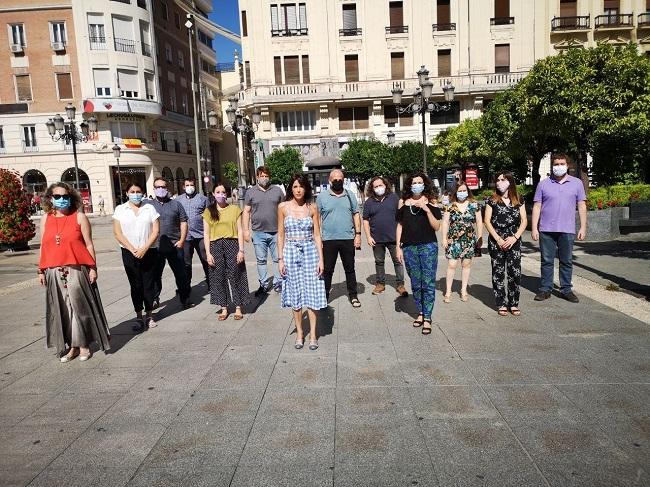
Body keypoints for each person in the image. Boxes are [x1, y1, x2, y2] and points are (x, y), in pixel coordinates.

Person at [37, 182, 110, 362]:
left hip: (77, 268)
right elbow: (43, 246)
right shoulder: (46, 218)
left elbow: (89, 244)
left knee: (80, 307)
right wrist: (40, 270)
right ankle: (73, 346)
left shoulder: (79, 217)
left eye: (65, 196)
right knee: (63, 308)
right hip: (54, 270)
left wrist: (93, 267)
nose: (62, 200)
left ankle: (84, 344)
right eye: (57, 197)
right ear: (50, 198)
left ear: (71, 197)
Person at [277, 174, 327, 350]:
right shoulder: (283, 207)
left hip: (310, 252)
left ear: (306, 189)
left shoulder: (312, 208)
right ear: (291, 188)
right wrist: (280, 259)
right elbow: (281, 234)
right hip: (290, 251)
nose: (298, 190)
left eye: (301, 187)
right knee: (295, 293)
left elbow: (317, 235)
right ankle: (300, 333)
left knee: (313, 292)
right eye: (295, 186)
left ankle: (313, 334)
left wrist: (321, 259)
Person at [531, 152, 587, 303]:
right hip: (546, 229)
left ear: (567, 166)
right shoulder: (543, 184)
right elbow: (537, 206)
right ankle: (545, 289)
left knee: (566, 261)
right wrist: (534, 228)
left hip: (567, 229)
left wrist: (583, 227)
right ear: (552, 166)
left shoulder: (576, 183)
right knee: (547, 260)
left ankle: (566, 290)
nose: (559, 167)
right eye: (556, 164)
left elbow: (581, 205)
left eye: (562, 164)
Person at [396, 173, 442, 335]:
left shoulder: (431, 201)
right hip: (409, 247)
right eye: (414, 182)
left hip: (428, 246)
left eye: (420, 182)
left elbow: (437, 227)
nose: (416, 185)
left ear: (425, 184)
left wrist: (427, 209)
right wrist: (398, 247)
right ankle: (421, 312)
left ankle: (428, 317)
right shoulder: (403, 203)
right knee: (415, 282)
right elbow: (400, 226)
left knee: (428, 282)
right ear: (409, 185)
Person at [113, 182, 160, 330]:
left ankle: (149, 315)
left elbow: (155, 231)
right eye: (132, 191)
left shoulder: (149, 208)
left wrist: (144, 248)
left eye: (138, 191)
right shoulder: (120, 209)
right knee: (135, 285)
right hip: (129, 252)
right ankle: (139, 316)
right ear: (126, 193)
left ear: (143, 193)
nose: (135, 194)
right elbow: (117, 233)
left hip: (149, 251)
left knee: (148, 284)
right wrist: (132, 249)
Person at [483, 172, 528, 316]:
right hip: (497, 241)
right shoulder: (492, 200)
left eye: (503, 180)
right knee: (498, 272)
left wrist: (515, 237)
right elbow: (487, 221)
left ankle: (513, 303)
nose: (499, 182)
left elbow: (524, 220)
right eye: (498, 180)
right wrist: (498, 239)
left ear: (510, 182)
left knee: (515, 272)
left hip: (513, 241)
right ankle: (501, 303)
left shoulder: (519, 199)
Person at [316, 169, 362, 307]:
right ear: (329, 181)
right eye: (335, 179)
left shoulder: (350, 195)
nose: (337, 181)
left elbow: (356, 214)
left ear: (344, 180)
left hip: (347, 238)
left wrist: (358, 235)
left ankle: (353, 296)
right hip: (328, 240)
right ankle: (324, 296)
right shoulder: (322, 197)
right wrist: (318, 238)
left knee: (350, 268)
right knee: (327, 270)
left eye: (340, 179)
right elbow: (317, 219)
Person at [203, 184, 249, 321]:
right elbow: (206, 233)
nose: (221, 194)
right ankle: (223, 307)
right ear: (213, 194)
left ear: (227, 194)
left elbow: (240, 230)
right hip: (215, 245)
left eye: (223, 192)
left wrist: (241, 250)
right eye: (218, 192)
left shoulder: (235, 209)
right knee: (218, 276)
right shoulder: (208, 211)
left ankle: (238, 306)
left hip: (232, 244)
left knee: (236, 275)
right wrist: (208, 253)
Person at [146, 177, 192, 309]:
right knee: (155, 275)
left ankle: (185, 298)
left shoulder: (176, 204)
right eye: (158, 187)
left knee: (181, 274)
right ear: (154, 189)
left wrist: (182, 240)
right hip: (156, 247)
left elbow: (183, 221)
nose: (161, 189)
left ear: (167, 188)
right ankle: (155, 298)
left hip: (175, 245)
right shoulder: (148, 206)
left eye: (163, 187)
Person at [362, 176, 407, 297]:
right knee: (379, 262)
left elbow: (401, 217)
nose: (378, 188)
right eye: (375, 186)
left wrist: (402, 236)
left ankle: (400, 284)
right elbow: (365, 220)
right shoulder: (369, 202)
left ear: (385, 185)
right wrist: (368, 236)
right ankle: (380, 284)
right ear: (372, 188)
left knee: (398, 261)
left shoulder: (393, 198)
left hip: (394, 238)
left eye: (380, 185)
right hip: (376, 239)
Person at [243, 166, 284, 295]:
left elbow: (283, 209)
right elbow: (246, 211)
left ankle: (278, 283)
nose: (264, 178)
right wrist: (245, 230)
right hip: (258, 232)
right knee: (261, 260)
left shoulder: (277, 191)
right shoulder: (250, 192)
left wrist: (286, 229)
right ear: (257, 177)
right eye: (262, 176)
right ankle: (263, 284)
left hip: (276, 232)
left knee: (278, 258)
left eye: (266, 176)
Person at [441, 181, 483, 303]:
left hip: (469, 239)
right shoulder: (450, 206)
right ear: (455, 192)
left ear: (468, 191)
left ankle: (463, 290)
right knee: (452, 265)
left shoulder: (475, 205)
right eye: (460, 191)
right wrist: (444, 238)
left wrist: (480, 237)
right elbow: (445, 222)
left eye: (464, 190)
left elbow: (479, 222)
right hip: (453, 239)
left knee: (466, 265)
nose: (462, 193)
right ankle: (448, 291)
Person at [176, 177, 210, 291]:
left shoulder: (203, 199)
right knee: (186, 263)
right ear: (183, 187)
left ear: (195, 186)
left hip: (200, 235)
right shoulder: (178, 200)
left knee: (206, 259)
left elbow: (209, 216)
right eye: (187, 185)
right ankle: (186, 287)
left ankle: (211, 283)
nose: (189, 187)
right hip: (185, 236)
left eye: (191, 185)